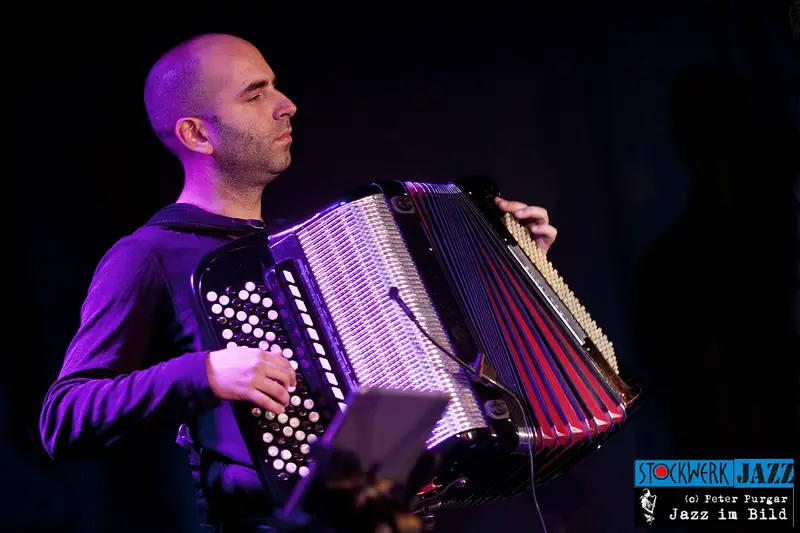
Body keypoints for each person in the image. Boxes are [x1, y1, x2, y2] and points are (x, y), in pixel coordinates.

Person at [38, 33, 559, 533]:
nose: (286, 104)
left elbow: (426, 364)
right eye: (255, 93)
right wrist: (203, 372)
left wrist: (505, 263)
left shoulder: (303, 253)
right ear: (197, 134)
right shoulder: (148, 254)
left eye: (275, 85)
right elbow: (64, 417)